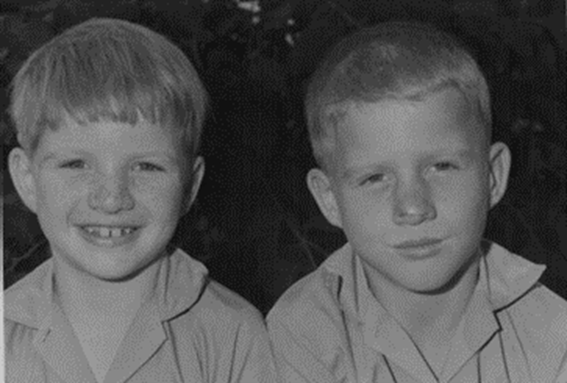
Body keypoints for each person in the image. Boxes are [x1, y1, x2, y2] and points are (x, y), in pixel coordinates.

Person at [267, 21, 567, 382]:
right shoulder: (303, 335)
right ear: (330, 199)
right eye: (375, 178)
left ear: (492, 176)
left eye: (441, 166)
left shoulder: (552, 332)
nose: (413, 207)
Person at [4, 18, 277, 383]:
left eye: (146, 167)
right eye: (76, 164)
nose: (112, 198)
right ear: (27, 179)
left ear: (191, 185)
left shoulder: (232, 335)